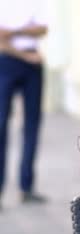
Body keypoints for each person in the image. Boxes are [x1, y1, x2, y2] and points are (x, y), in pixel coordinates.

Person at [0, 1, 48, 209]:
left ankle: (26, 187)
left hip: (32, 64)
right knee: (1, 126)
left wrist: (13, 31)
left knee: (32, 125)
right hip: (7, 61)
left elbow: (43, 29)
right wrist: (25, 54)